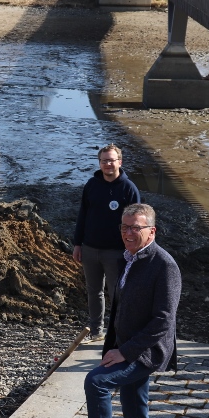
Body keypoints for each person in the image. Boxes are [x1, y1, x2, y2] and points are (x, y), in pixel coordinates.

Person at [65, 203, 180, 418]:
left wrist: (125, 352)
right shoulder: (127, 258)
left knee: (96, 381)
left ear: (152, 231)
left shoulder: (164, 266)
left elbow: (163, 320)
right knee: (136, 412)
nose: (128, 233)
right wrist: (114, 345)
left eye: (135, 228)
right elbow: (120, 308)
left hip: (146, 351)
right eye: (124, 227)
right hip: (126, 346)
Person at [72, 144, 140, 342]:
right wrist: (78, 244)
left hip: (116, 252)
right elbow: (83, 215)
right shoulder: (92, 185)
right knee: (94, 292)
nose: (108, 164)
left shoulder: (129, 188)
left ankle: (119, 332)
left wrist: (134, 249)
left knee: (118, 294)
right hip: (90, 248)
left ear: (120, 162)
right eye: (104, 161)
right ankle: (96, 331)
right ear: (99, 163)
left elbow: (137, 223)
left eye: (111, 160)